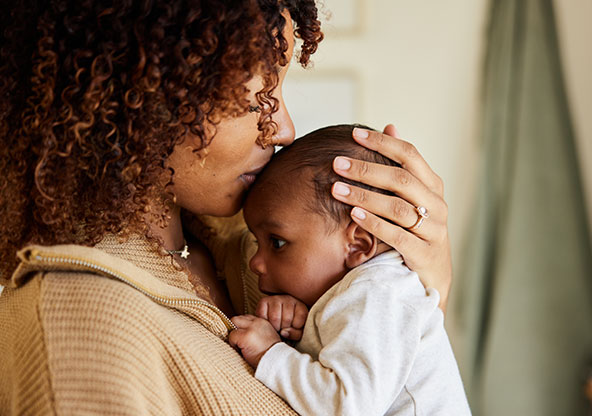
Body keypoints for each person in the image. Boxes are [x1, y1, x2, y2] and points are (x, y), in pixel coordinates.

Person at [0, 1, 453, 414]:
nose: (284, 129)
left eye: (279, 90)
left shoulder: (256, 247)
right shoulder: (77, 330)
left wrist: (423, 286)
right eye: (253, 95)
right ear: (140, 89)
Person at [229, 124, 471, 415]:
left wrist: (271, 354)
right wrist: (303, 330)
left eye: (277, 242)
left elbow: (347, 406)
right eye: (257, 242)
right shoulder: (367, 290)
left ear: (358, 245)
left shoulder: (378, 293)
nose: (255, 261)